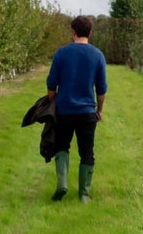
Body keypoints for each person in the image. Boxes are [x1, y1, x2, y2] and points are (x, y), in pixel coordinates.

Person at [46, 15, 107, 203]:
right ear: (90, 32)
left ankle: (62, 183)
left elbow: (51, 85)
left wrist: (52, 102)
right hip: (87, 111)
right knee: (87, 151)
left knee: (62, 145)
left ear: (73, 31)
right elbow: (102, 89)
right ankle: (84, 194)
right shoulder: (97, 55)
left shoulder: (61, 53)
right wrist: (100, 110)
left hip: (64, 110)